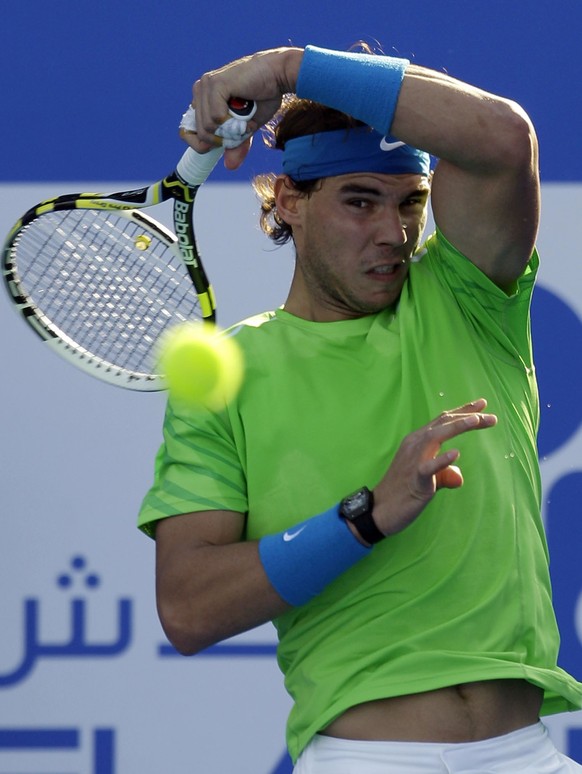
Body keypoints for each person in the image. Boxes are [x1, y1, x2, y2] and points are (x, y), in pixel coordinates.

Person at [138, 44, 582, 772]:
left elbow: (505, 141)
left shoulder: (469, 296)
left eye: (410, 202)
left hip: (526, 753)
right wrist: (365, 518)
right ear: (288, 201)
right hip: (366, 759)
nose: (394, 233)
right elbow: (188, 609)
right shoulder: (228, 374)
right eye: (359, 201)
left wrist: (285, 69)